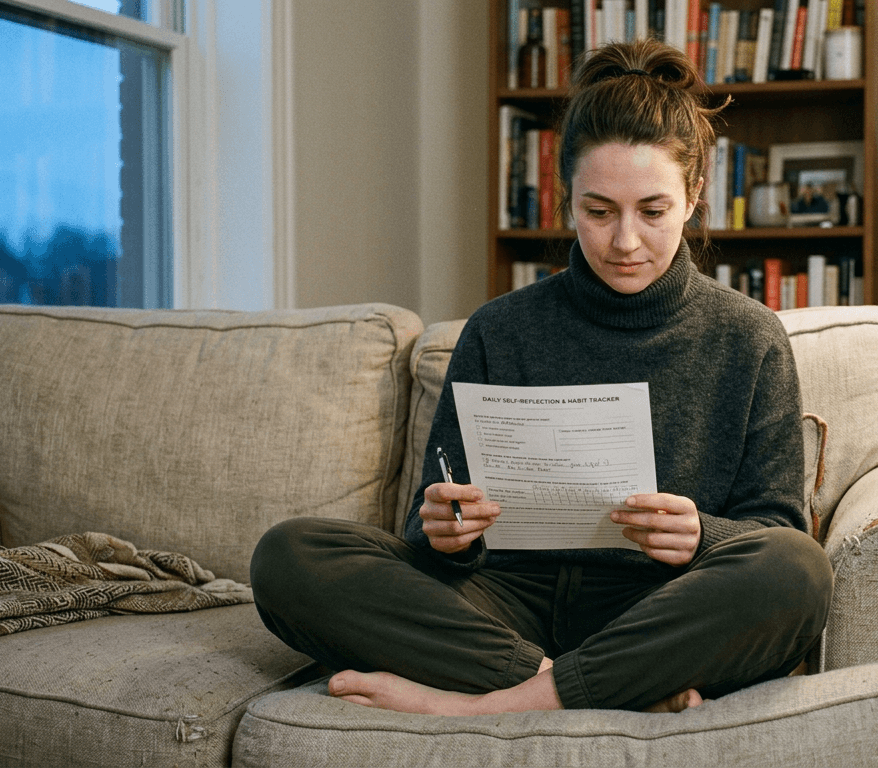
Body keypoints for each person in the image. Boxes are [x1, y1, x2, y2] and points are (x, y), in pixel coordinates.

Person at [249, 38, 832, 716]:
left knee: (796, 570)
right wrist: (445, 528)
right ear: (566, 199)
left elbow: (777, 526)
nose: (624, 242)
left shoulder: (749, 337)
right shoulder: (500, 329)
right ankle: (592, 688)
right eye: (599, 210)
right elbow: (430, 524)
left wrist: (703, 534)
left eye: (652, 210)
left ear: (694, 195)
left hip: (658, 609)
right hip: (504, 607)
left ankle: (486, 705)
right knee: (291, 557)